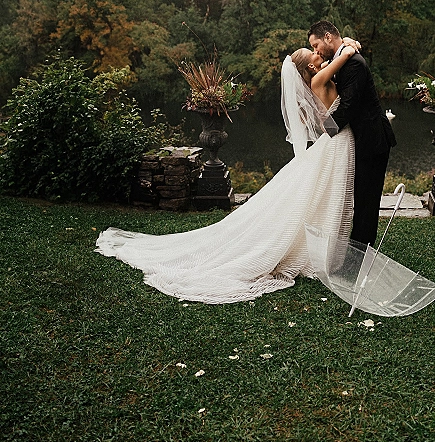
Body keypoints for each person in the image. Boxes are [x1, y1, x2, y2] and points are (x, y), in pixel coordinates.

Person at [95, 42, 360, 304]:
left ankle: (323, 245)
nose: (318, 53)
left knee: (322, 196)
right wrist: (347, 49)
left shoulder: (317, 80)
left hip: (333, 143)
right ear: (310, 67)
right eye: (313, 52)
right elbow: (334, 94)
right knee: (321, 196)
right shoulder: (319, 82)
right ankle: (315, 249)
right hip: (334, 142)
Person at [308, 21, 396, 248]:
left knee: (367, 198)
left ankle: (362, 248)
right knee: (358, 194)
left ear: (328, 37)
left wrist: (325, 134)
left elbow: (349, 106)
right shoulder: (341, 59)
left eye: (316, 44)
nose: (316, 51)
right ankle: (354, 244)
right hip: (359, 139)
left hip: (372, 139)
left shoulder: (354, 63)